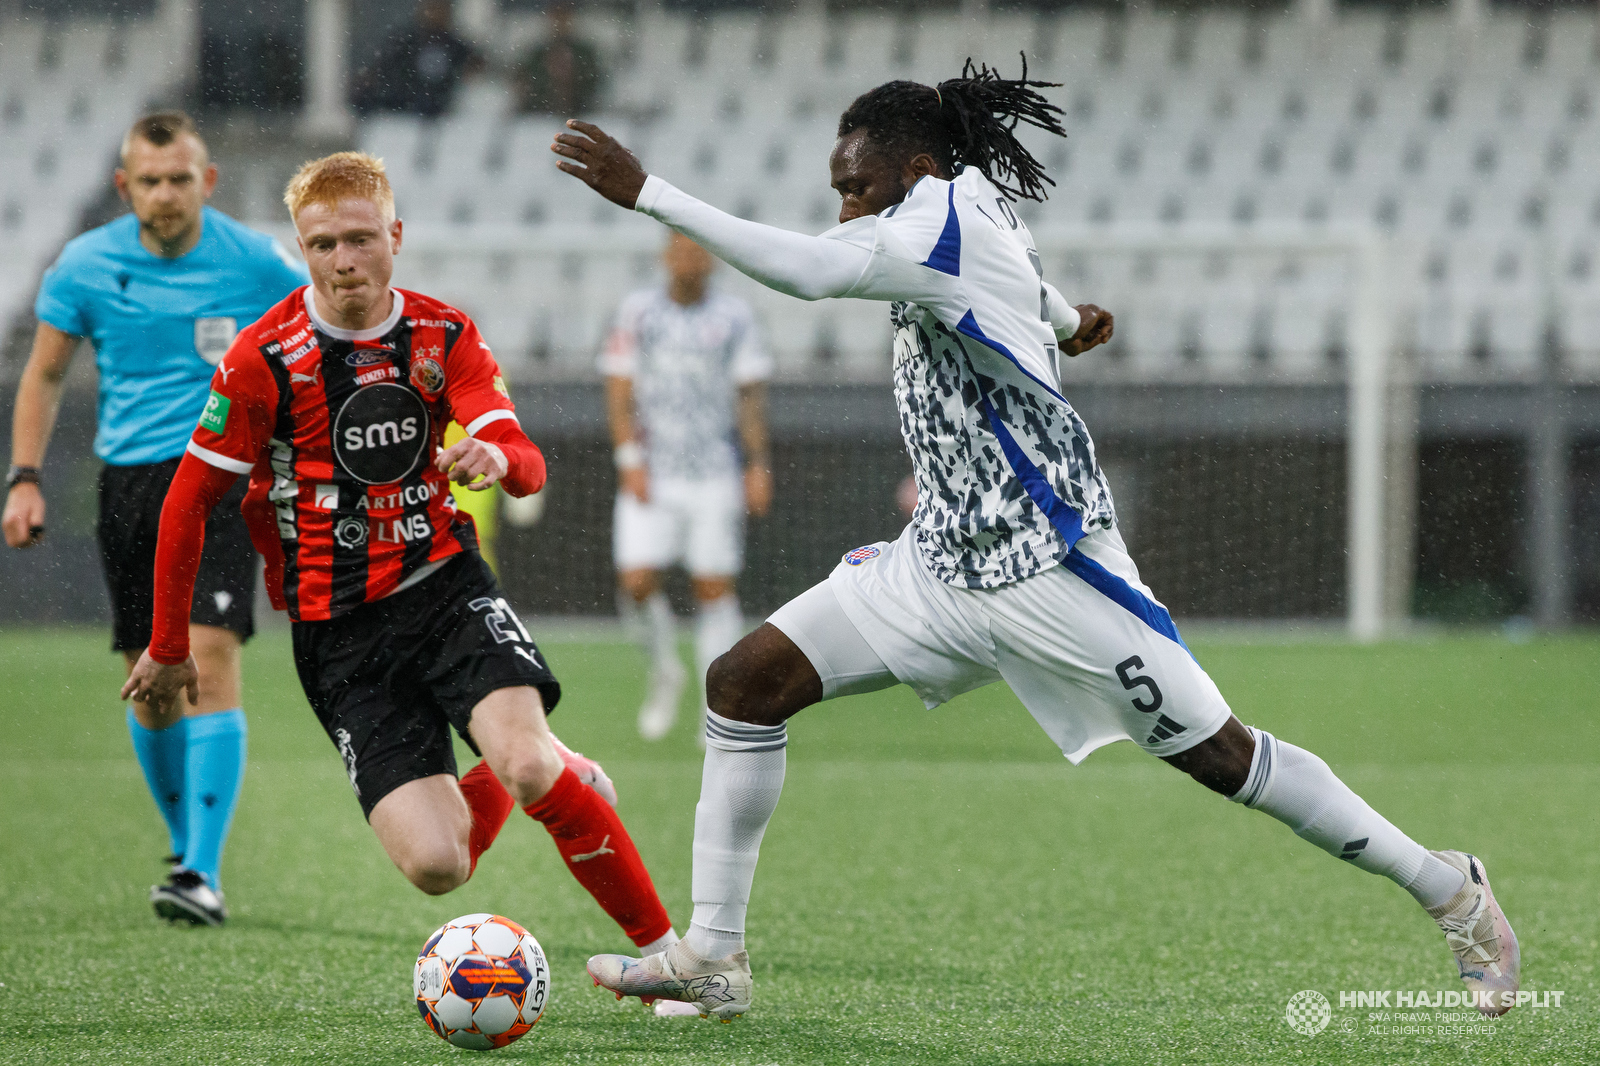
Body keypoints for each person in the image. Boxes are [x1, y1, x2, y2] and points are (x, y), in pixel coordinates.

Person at [551, 61, 1522, 1020]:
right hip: (938, 565)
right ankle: (713, 956)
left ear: (916, 167)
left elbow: (810, 273)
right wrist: (1067, 318)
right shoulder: (963, 207)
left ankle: (1452, 891)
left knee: (1221, 756)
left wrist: (652, 195)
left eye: (856, 187)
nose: (846, 210)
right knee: (743, 684)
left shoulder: (930, 220)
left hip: (1046, 562)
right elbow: (1022, 280)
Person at [120, 154, 697, 1014]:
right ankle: (536, 769)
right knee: (438, 866)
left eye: (359, 239)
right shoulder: (261, 360)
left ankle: (673, 960)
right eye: (322, 245)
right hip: (336, 634)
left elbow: (525, 459)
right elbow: (187, 506)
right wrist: (168, 647)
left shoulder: (442, 335)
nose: (343, 260)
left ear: (394, 237)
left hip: (444, 591)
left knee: (530, 764)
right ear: (303, 250)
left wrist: (498, 455)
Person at [3, 110, 308, 926]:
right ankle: (187, 854)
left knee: (206, 655)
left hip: (217, 482)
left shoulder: (253, 261)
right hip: (131, 488)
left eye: (181, 178)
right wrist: (24, 477)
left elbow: (319, 338)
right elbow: (42, 376)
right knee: (150, 683)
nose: (167, 193)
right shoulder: (86, 265)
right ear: (124, 187)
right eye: (151, 180)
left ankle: (201, 874)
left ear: (207, 181)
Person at [602, 231, 772, 742]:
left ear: (711, 259)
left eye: (699, 250)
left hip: (714, 470)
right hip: (653, 469)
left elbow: (749, 398)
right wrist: (628, 456)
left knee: (713, 586)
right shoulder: (637, 313)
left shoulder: (735, 319)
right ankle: (664, 669)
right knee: (635, 582)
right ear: (665, 256)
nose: (689, 259)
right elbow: (618, 389)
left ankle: (715, 702)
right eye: (680, 249)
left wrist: (756, 463)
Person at [352, 0, 484, 119]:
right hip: (404, 99)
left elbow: (476, 66)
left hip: (437, 102)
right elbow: (384, 65)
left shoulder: (454, 45)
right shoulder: (407, 40)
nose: (435, 15)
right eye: (431, 9)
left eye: (440, 9)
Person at [512, 1, 606, 117]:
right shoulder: (537, 53)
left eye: (564, 17)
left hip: (580, 112)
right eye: (556, 17)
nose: (560, 22)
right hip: (539, 116)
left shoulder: (585, 52)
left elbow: (594, 84)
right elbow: (525, 83)